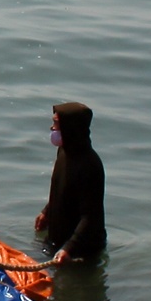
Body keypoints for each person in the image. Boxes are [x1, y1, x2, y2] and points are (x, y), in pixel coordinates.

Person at [34, 102, 105, 264]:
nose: (52, 128)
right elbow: (62, 190)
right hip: (58, 239)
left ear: (70, 127)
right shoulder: (64, 152)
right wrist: (47, 212)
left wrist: (68, 248)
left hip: (82, 250)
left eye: (56, 124)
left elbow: (91, 217)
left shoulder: (90, 165)